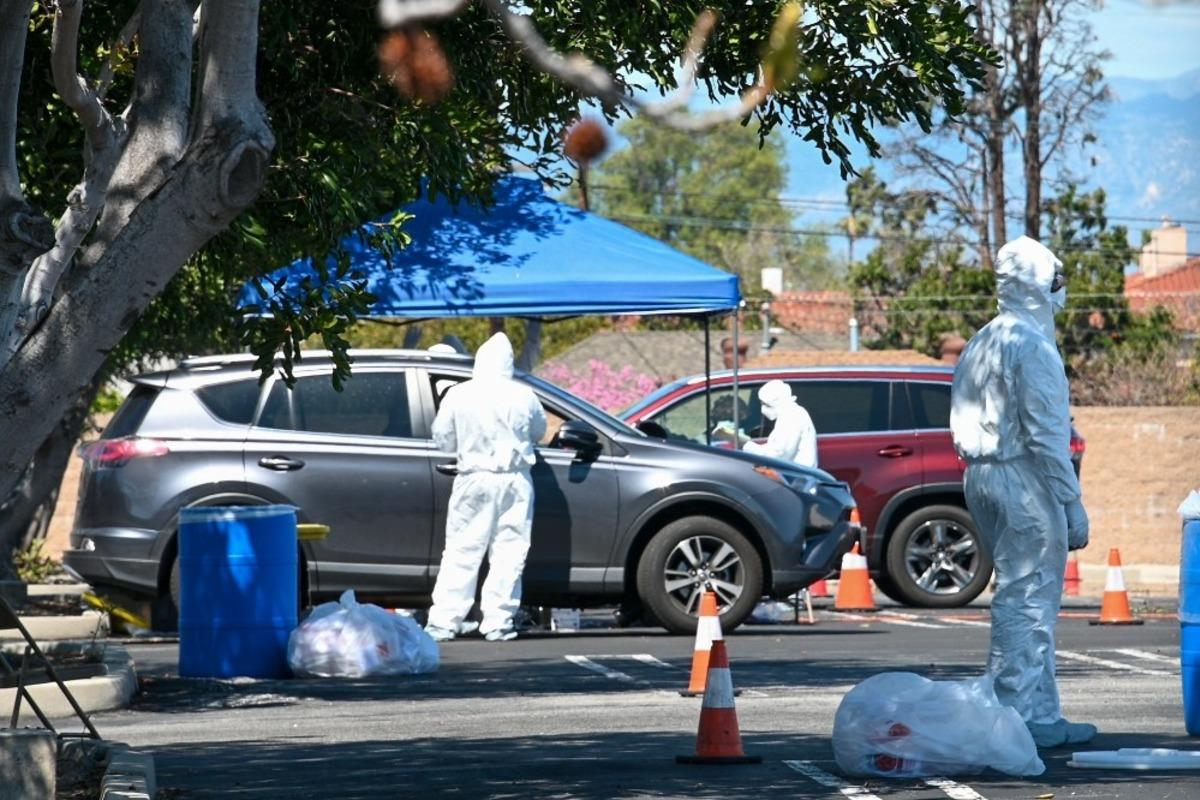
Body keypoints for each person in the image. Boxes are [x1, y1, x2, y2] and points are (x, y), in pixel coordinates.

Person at [949, 235, 1094, 748]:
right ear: (1035, 284)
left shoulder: (983, 339)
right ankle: (1014, 720)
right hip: (1021, 479)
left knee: (1026, 595)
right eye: (1055, 281)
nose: (1061, 292)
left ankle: (1042, 714)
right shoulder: (1032, 347)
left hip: (982, 476)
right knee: (1028, 600)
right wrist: (1070, 499)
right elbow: (1047, 435)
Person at [425, 332, 547, 642]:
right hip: (515, 479)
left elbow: (443, 440)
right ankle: (498, 621)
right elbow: (539, 432)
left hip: (473, 478)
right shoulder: (524, 395)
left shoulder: (459, 394)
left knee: (461, 550)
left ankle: (444, 621)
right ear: (507, 364)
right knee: (509, 551)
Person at [716, 380, 818, 469]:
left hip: (797, 480)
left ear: (776, 402)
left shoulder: (791, 417)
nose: (763, 409)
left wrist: (746, 444)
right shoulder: (789, 415)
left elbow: (777, 456)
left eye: (766, 405)